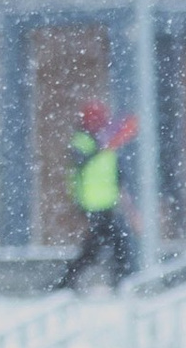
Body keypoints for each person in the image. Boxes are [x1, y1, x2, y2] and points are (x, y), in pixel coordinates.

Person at [58, 100, 138, 290]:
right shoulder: (83, 141)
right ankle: (121, 281)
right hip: (92, 203)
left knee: (101, 246)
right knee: (111, 244)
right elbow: (82, 158)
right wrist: (105, 143)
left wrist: (128, 206)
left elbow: (116, 176)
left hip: (106, 203)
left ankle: (69, 281)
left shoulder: (105, 143)